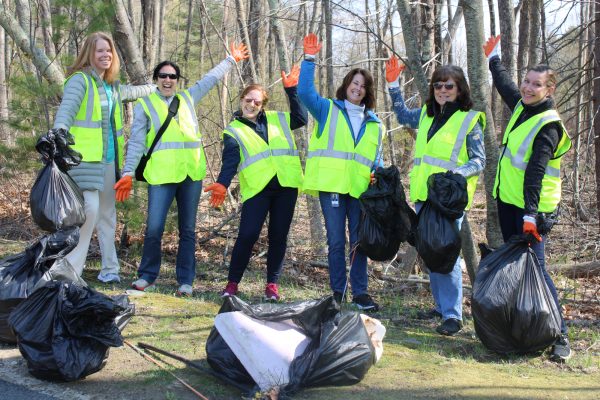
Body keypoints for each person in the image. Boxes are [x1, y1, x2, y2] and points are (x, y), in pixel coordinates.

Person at [114, 43, 250, 296]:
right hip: (162, 176)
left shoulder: (187, 98)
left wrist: (230, 60)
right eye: (163, 76)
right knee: (154, 227)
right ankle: (147, 276)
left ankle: (185, 281)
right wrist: (127, 173)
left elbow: (209, 80)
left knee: (188, 230)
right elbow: (134, 143)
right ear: (156, 80)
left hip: (191, 175)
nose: (168, 80)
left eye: (172, 76)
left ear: (177, 81)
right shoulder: (145, 105)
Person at [484, 35, 572, 360]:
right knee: (516, 270)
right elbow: (506, 85)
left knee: (537, 268)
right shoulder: (523, 105)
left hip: (533, 213)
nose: (527, 87)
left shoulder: (549, 126)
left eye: (537, 84)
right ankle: (523, 331)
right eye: (527, 81)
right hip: (509, 204)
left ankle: (560, 336)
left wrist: (531, 216)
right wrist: (494, 58)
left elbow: (535, 171)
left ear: (549, 91)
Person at [386, 56, 486, 335]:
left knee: (447, 254)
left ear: (460, 89)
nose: (442, 90)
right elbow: (402, 115)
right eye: (438, 85)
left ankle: (454, 316)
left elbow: (479, 160)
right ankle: (441, 308)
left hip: (449, 200)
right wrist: (393, 84)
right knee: (431, 253)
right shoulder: (427, 114)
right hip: (423, 196)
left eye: (449, 86)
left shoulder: (469, 120)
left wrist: (456, 174)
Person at [52, 32, 156, 283]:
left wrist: (158, 87)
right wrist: (58, 136)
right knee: (89, 210)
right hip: (83, 162)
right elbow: (65, 114)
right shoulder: (80, 81)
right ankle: (70, 271)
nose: (106, 55)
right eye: (100, 50)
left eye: (108, 51)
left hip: (108, 161)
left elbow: (133, 91)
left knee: (108, 215)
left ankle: (110, 270)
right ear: (89, 53)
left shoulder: (110, 86)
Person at [298, 34, 384, 312]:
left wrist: (377, 178)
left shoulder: (376, 125)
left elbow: (375, 161)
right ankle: (338, 293)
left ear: (367, 92)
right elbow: (304, 94)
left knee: (358, 243)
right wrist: (309, 60)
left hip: (359, 191)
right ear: (346, 85)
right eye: (353, 83)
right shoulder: (327, 109)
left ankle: (360, 293)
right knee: (336, 242)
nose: (357, 88)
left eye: (363, 86)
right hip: (332, 187)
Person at [206, 67, 308, 300]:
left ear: (264, 105)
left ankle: (272, 285)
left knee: (278, 236)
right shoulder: (234, 130)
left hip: (286, 185)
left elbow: (301, 118)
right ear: (241, 100)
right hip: (258, 188)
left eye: (258, 102)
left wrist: (292, 90)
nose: (252, 105)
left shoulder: (278, 119)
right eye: (248, 100)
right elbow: (230, 159)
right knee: (248, 234)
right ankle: (232, 284)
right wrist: (222, 183)